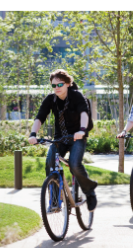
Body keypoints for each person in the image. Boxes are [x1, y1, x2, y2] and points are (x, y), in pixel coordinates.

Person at [28, 69, 98, 212]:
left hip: (77, 136)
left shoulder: (76, 96)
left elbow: (84, 113)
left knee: (74, 164)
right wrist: (33, 134)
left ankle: (89, 191)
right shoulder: (50, 99)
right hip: (60, 138)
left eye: (60, 85)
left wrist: (82, 130)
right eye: (54, 86)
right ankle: (55, 201)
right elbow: (40, 117)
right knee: (50, 162)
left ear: (67, 84)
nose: (57, 88)